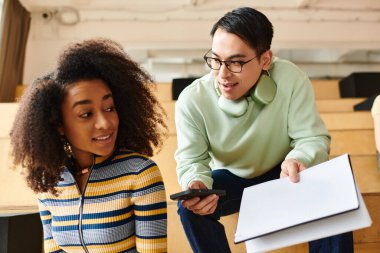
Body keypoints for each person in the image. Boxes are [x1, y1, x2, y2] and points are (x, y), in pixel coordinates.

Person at [174, 7, 353, 253]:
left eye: (236, 62)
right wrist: (196, 184)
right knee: (190, 207)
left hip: (284, 172)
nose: (222, 74)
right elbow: (192, 159)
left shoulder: (291, 78)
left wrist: (299, 159)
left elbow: (311, 138)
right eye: (215, 60)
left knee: (333, 187)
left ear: (265, 59)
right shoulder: (192, 99)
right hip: (231, 177)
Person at [10, 39, 168, 253]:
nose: (105, 123)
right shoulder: (49, 181)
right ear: (58, 125)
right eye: (86, 114)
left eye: (110, 108)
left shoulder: (140, 174)